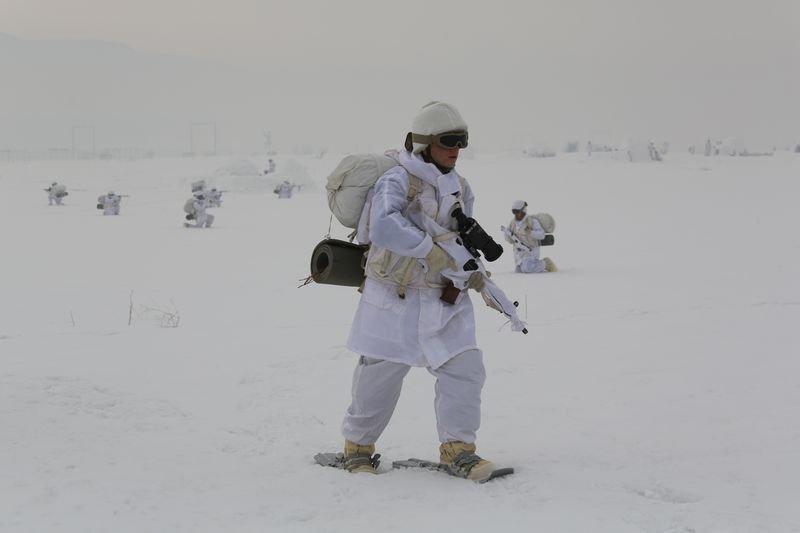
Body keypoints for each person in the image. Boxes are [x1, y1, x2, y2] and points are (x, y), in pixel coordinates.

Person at [339, 101, 498, 482]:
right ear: (425, 142)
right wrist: (430, 251)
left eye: (461, 141)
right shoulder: (397, 179)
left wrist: (473, 273)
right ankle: (358, 448)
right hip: (395, 298)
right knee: (379, 376)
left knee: (465, 369)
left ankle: (458, 449)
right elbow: (384, 225)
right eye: (448, 141)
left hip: (444, 298)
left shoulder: (460, 186)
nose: (456, 149)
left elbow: (460, 239)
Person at [503, 201, 557, 273]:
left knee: (527, 268)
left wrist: (530, 233)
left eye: (517, 211)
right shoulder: (512, 223)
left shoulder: (531, 221)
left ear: (523, 210)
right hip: (518, 254)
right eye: (514, 212)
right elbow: (509, 238)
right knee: (519, 271)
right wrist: (507, 236)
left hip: (531, 251)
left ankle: (546, 264)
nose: (516, 214)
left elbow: (541, 235)